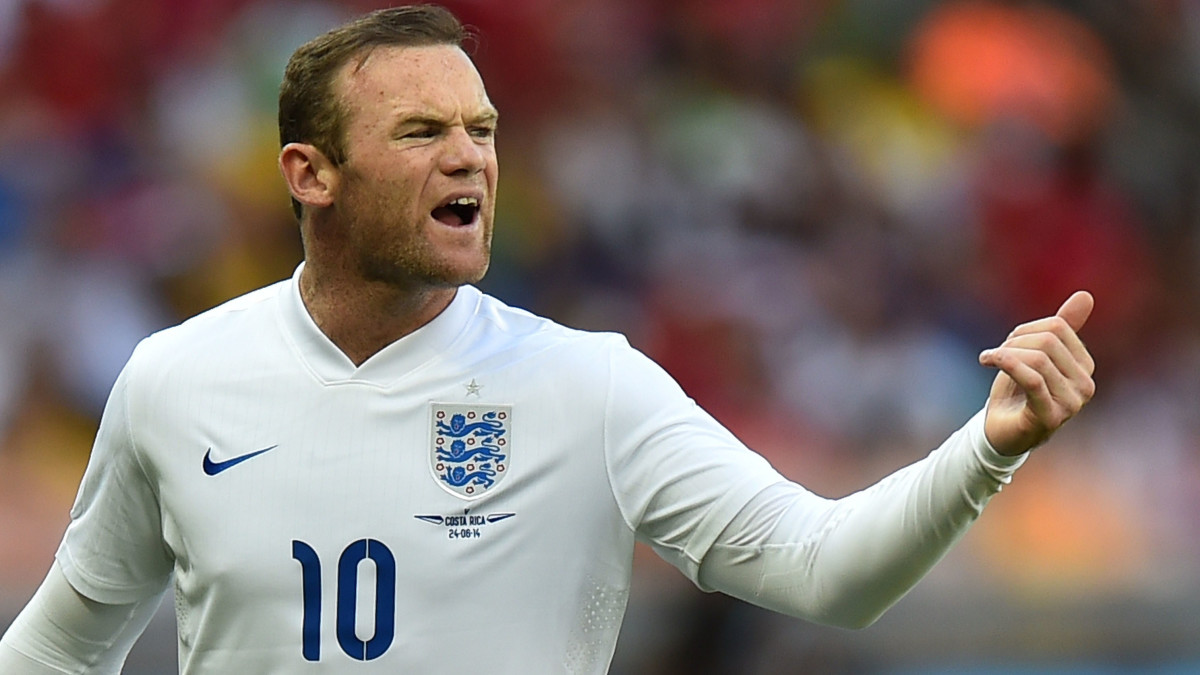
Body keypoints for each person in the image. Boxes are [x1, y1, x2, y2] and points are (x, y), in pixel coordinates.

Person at [0, 5, 1096, 674]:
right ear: (310, 173)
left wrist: (988, 448)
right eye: (420, 132)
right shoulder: (178, 380)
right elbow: (58, 650)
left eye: (480, 130)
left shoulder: (589, 386)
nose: (469, 158)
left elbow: (828, 572)